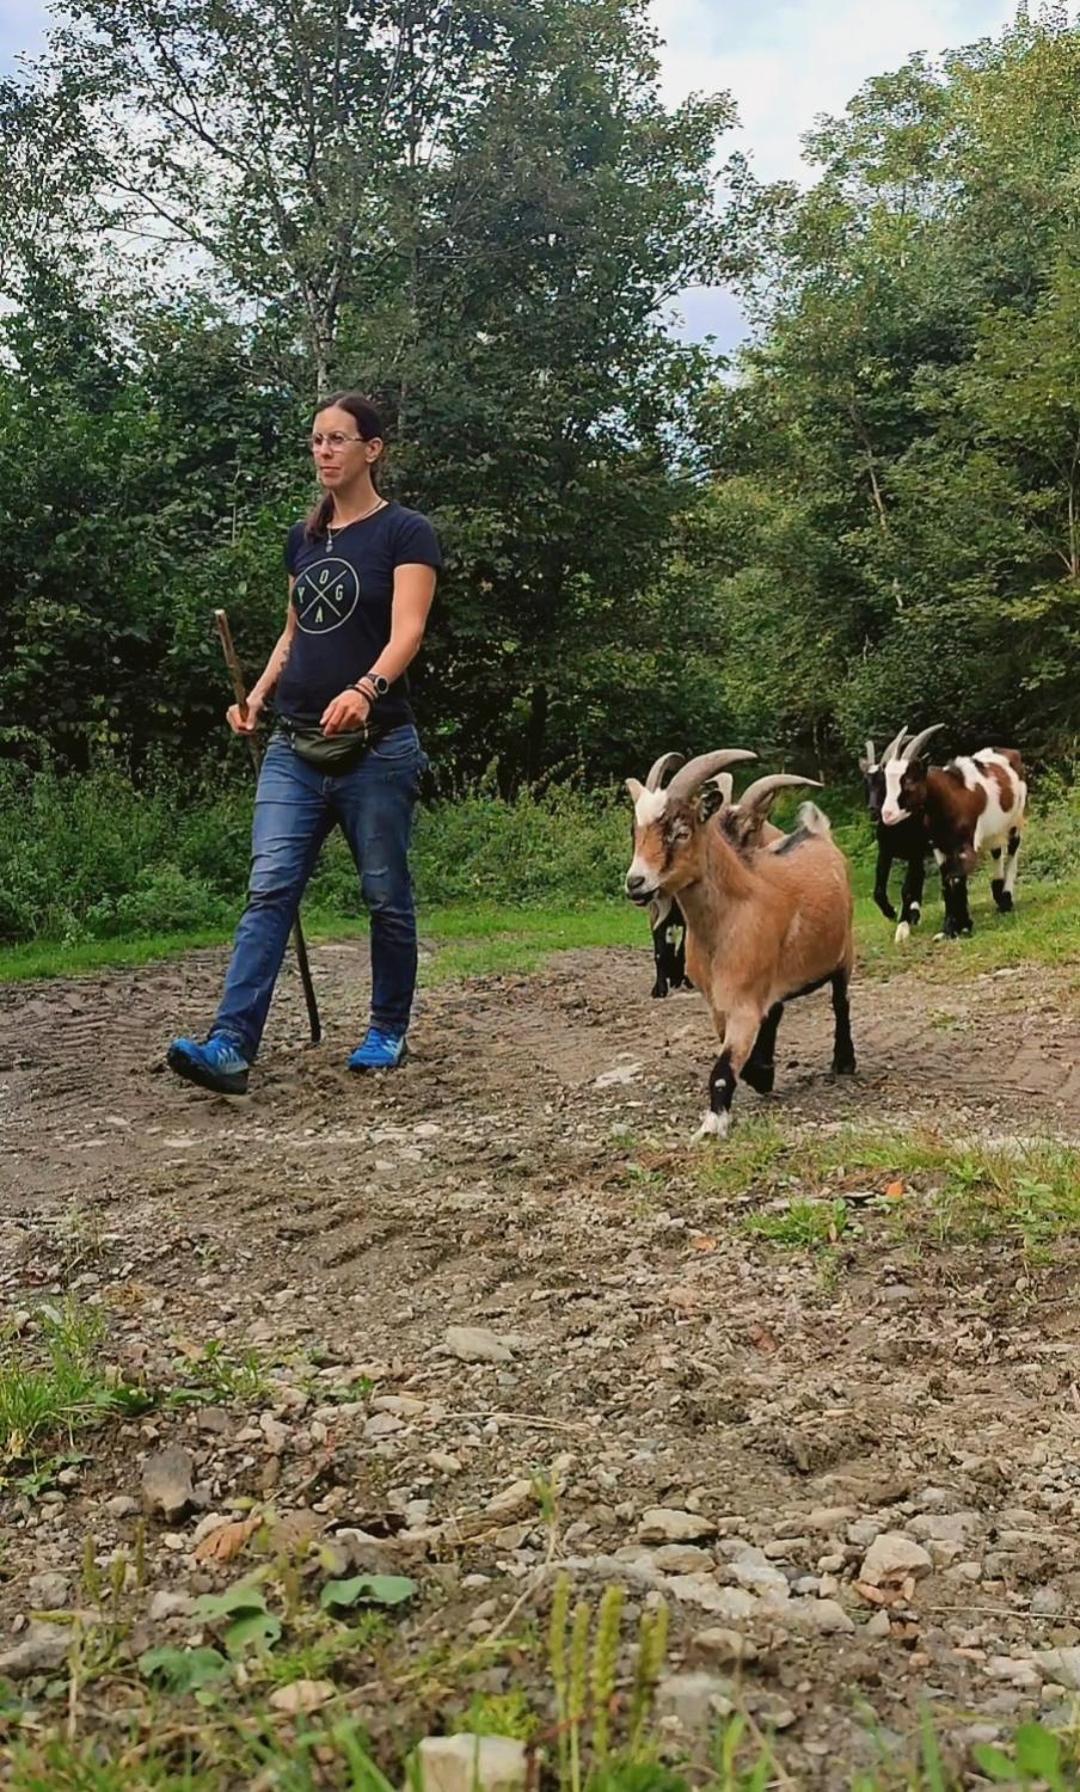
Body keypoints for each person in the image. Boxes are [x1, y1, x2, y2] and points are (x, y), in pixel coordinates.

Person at [167, 392, 441, 1095]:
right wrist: (255, 696)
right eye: (317, 440)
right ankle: (229, 1045)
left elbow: (406, 631)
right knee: (269, 891)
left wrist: (366, 689)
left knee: (385, 896)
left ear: (371, 450)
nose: (324, 451)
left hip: (378, 747)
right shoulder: (306, 538)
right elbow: (296, 633)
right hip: (293, 746)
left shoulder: (405, 534)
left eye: (338, 439)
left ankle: (386, 1027)